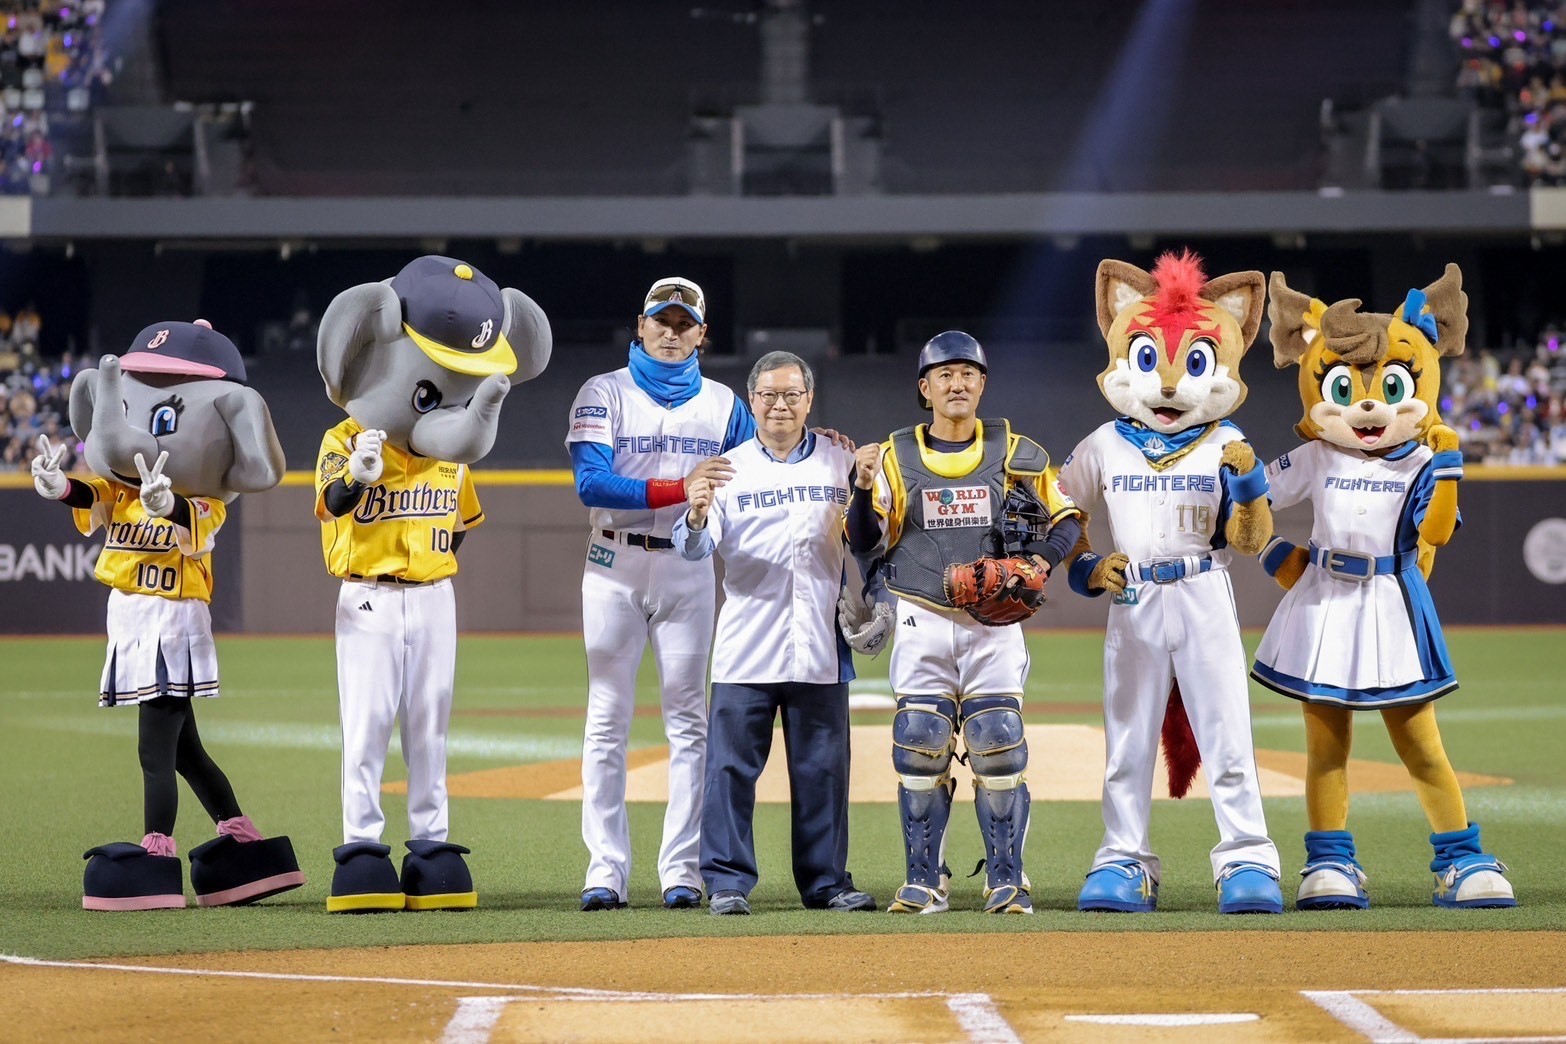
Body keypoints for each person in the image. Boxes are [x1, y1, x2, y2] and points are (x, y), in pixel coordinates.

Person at [32, 321, 302, 910]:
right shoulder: (125, 492)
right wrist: (59, 487)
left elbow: (193, 523)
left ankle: (157, 853)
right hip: (132, 623)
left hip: (170, 627)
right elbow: (94, 496)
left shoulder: (205, 500)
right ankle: (245, 843)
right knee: (185, 752)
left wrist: (170, 502)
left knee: (154, 750)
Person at [314, 255, 547, 913]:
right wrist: (356, 477)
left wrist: (432, 564)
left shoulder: (449, 457)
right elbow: (330, 503)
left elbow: (462, 524)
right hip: (368, 596)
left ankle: (431, 847)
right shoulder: (347, 438)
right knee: (367, 727)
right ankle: (362, 847)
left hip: (433, 596)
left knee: (430, 727)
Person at [845, 331, 1082, 914]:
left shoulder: (1018, 452)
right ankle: (925, 880)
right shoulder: (893, 456)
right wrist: (863, 488)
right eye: (945, 375)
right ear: (924, 388)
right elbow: (864, 539)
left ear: (982, 384)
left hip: (992, 627)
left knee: (999, 746)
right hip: (921, 615)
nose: (957, 384)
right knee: (918, 747)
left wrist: (1038, 562)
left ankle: (1007, 879)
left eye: (968, 374)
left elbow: (1068, 520)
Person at [566, 277, 755, 911]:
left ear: (702, 334)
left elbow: (759, 469)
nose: (672, 333)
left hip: (688, 565)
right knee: (606, 719)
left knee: (688, 723)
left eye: (684, 324)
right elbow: (592, 484)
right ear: (640, 326)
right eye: (661, 321)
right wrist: (682, 487)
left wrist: (824, 448)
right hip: (613, 562)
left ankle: (682, 870)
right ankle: (605, 870)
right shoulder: (604, 391)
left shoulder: (726, 404)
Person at [671, 350, 876, 916]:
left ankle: (826, 883)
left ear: (809, 400)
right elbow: (692, 549)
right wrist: (694, 515)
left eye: (791, 394)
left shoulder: (841, 460)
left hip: (820, 645)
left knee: (824, 773)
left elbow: (870, 539)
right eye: (767, 395)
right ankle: (727, 882)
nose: (779, 405)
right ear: (752, 400)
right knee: (729, 773)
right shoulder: (726, 469)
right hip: (746, 647)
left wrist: (875, 601)